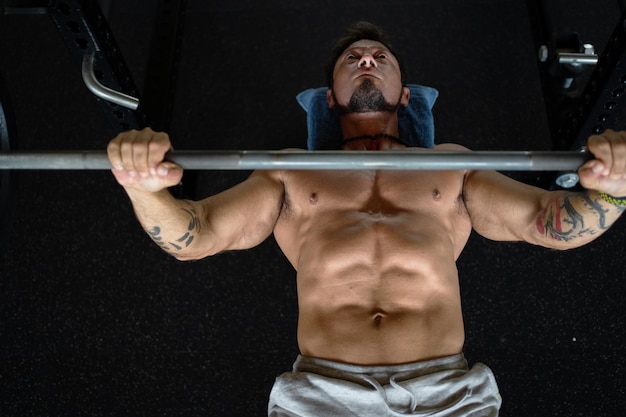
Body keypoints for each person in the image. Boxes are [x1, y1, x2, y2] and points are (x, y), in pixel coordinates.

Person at [107, 21, 626, 417]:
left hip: (442, 392)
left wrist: (613, 191)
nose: (367, 61)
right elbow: (196, 236)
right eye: (353, 58)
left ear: (405, 93)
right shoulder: (289, 169)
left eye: (381, 57)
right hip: (325, 394)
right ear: (330, 98)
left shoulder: (452, 162)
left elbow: (547, 222)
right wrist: (144, 186)